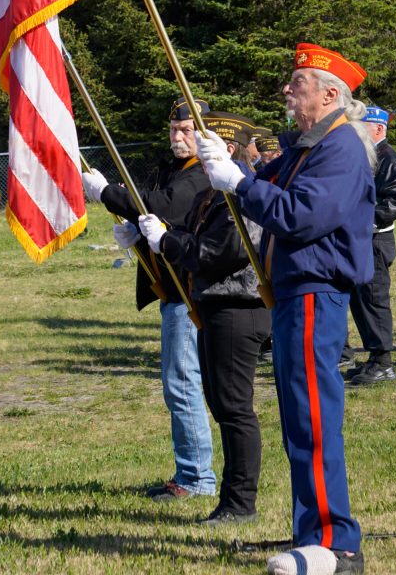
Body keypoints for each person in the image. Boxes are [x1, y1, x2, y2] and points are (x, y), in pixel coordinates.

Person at [195, 43, 375, 575]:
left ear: (329, 93)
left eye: (297, 83)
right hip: (295, 292)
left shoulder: (339, 148)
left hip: (316, 291)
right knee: (300, 417)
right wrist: (226, 164)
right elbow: (263, 183)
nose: (287, 92)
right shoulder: (307, 146)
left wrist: (241, 183)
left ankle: (335, 543)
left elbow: (299, 215)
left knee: (313, 417)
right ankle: (313, 534)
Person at [138, 111, 271, 526]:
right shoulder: (215, 192)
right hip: (215, 304)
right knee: (221, 403)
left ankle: (238, 500)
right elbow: (199, 241)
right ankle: (231, 497)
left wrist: (166, 242)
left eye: (207, 143)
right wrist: (153, 240)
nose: (197, 149)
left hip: (238, 307)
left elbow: (216, 252)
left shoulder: (239, 195)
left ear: (227, 149)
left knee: (234, 408)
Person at [81, 97, 216, 502]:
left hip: (188, 290)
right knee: (179, 382)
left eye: (188, 129)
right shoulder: (172, 168)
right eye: (175, 129)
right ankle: (190, 472)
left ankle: (197, 479)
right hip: (172, 288)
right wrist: (137, 235)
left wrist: (108, 193)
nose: (179, 135)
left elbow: (162, 206)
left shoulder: (203, 172)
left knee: (182, 383)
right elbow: (160, 218)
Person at [347, 106, 396, 386]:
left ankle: (384, 362)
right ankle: (374, 358)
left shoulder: (386, 157)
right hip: (363, 239)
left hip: (375, 239)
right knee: (361, 300)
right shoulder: (369, 155)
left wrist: (366, 220)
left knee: (374, 299)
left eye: (362, 127)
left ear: (378, 129)